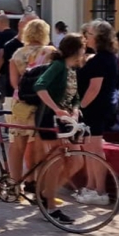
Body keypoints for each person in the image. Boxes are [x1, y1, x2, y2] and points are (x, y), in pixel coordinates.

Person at [33, 33, 87, 224]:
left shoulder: (71, 69)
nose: (85, 50)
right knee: (56, 161)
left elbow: (75, 96)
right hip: (50, 119)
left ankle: (47, 192)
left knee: (77, 161)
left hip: (66, 121)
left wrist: (74, 109)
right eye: (83, 46)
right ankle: (50, 207)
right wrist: (56, 108)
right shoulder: (58, 66)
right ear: (75, 49)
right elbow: (39, 85)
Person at [7, 19, 55, 195]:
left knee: (17, 145)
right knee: (40, 147)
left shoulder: (18, 54)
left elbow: (14, 83)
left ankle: (14, 184)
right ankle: (38, 186)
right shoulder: (51, 52)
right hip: (43, 104)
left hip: (21, 104)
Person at [75, 20, 119, 205]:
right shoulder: (97, 57)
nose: (86, 37)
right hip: (92, 108)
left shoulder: (103, 59)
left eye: (90, 34)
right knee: (88, 148)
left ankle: (100, 191)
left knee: (95, 148)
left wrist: (80, 107)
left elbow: (94, 88)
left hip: (96, 108)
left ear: (100, 38)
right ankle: (91, 186)